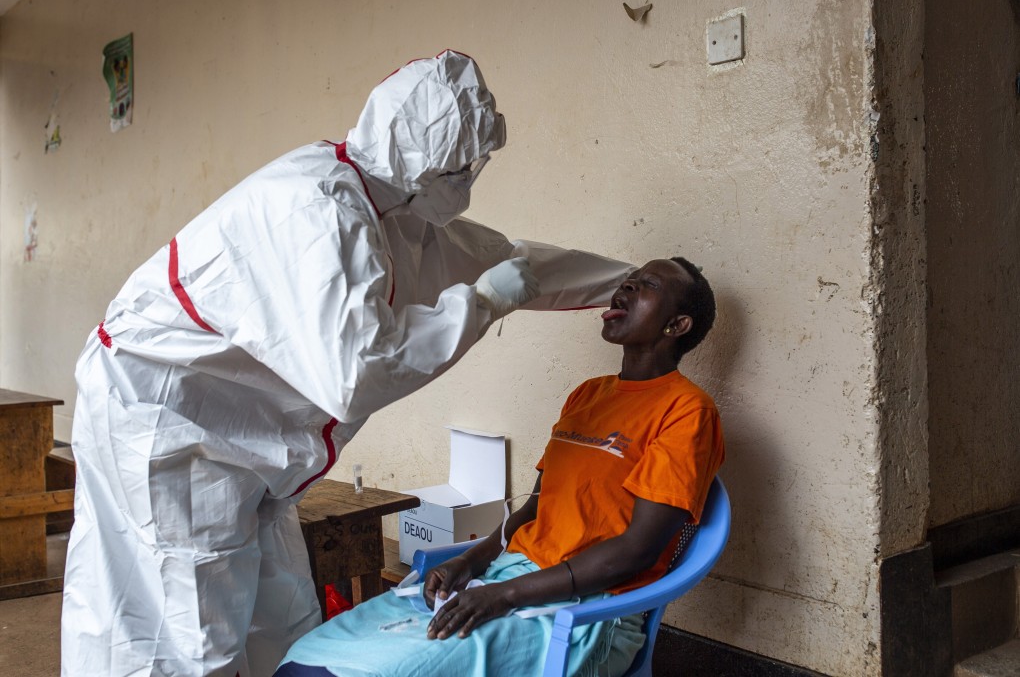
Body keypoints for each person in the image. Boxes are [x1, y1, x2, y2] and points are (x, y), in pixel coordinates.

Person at [61, 50, 635, 677]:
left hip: (245, 443)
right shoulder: (318, 209)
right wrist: (482, 304)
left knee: (277, 616)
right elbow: (356, 372)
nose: (471, 180)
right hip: (172, 423)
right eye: (463, 166)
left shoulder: (402, 215)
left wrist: (629, 281)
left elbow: (518, 263)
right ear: (423, 160)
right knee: (186, 633)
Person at [275, 257, 725, 677]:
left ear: (676, 324)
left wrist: (504, 595)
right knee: (317, 653)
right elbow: (533, 508)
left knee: (395, 668)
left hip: (589, 609)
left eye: (646, 285)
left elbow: (637, 552)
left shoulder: (687, 411)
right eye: (629, 279)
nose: (626, 286)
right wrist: (470, 561)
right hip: (509, 574)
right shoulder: (588, 395)